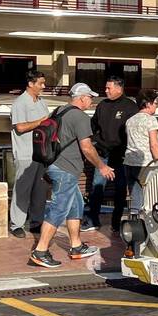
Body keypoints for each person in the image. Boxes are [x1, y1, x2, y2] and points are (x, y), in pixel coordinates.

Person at [30, 83, 109, 269]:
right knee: (58, 209)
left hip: (56, 165)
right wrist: (102, 166)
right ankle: (40, 251)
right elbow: (87, 148)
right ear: (81, 98)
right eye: (90, 97)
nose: (92, 100)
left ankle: (76, 247)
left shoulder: (59, 110)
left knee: (76, 206)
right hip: (65, 170)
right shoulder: (80, 117)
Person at [85, 75, 137, 232]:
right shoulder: (102, 105)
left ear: (119, 88)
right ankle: (93, 220)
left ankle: (116, 223)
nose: (106, 90)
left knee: (120, 190)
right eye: (106, 87)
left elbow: (133, 131)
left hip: (121, 155)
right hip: (102, 153)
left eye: (109, 88)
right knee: (97, 186)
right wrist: (92, 141)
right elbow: (92, 126)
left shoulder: (130, 106)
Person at [8, 69, 49, 238]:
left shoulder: (41, 102)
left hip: (42, 153)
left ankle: (36, 222)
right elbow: (20, 127)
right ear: (31, 84)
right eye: (40, 83)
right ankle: (16, 224)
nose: (43, 86)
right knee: (22, 190)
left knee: (40, 190)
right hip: (25, 153)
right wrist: (40, 121)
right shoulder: (20, 103)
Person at [123, 88, 158, 209]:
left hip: (129, 162)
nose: (156, 106)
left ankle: (135, 221)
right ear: (148, 103)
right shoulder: (150, 120)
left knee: (136, 197)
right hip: (145, 164)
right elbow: (154, 144)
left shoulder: (130, 121)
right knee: (151, 197)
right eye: (156, 103)